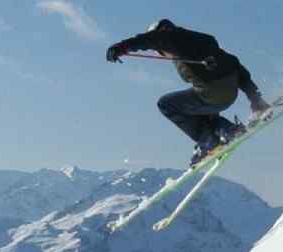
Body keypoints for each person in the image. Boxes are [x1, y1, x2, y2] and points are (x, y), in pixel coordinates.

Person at [106, 19, 270, 166]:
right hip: (228, 93)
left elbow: (152, 39)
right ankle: (227, 129)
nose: (162, 54)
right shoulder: (203, 43)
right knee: (195, 106)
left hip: (211, 93)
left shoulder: (171, 37)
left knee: (166, 104)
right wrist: (256, 100)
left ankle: (209, 142)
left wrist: (122, 47)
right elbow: (236, 66)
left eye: (160, 51)